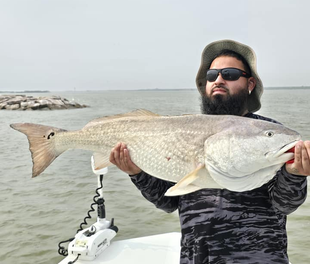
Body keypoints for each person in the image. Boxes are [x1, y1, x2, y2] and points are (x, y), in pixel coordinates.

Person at [109, 40, 310, 264]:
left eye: (230, 74)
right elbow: (168, 201)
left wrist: (296, 175)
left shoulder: (269, 135)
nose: (219, 80)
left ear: (250, 83)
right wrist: (137, 173)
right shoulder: (182, 131)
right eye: (212, 75)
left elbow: (284, 205)